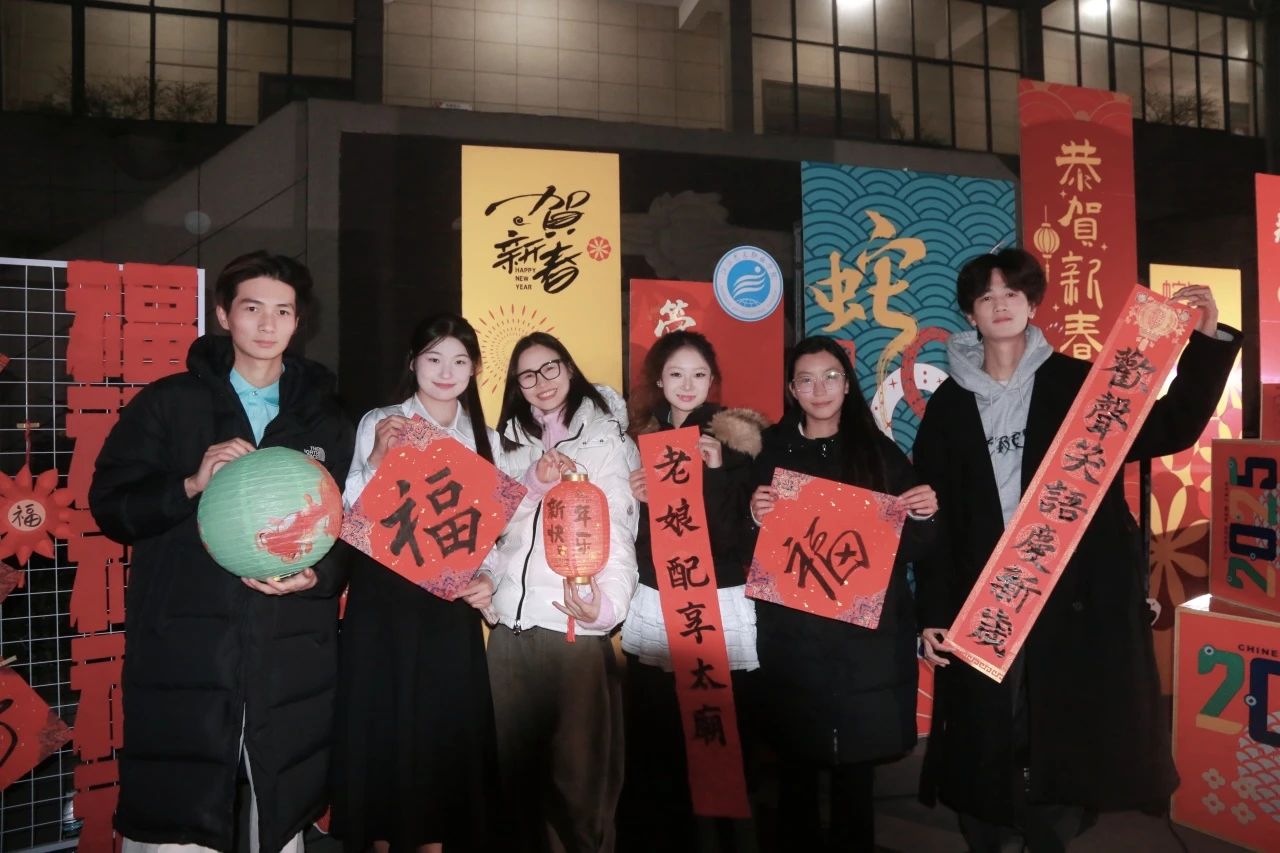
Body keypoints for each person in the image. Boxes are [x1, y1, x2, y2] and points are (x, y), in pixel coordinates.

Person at [913, 248, 1242, 852]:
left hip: (1072, 585)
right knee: (989, 720)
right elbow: (935, 520)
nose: (1001, 305)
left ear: (1033, 304)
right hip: (986, 590)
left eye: (1012, 293)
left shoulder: (1079, 382)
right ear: (970, 315)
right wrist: (933, 610)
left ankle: (1054, 826)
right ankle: (988, 821)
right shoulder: (948, 405)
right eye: (986, 297)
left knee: (1064, 718)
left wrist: (1207, 340)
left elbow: (1171, 425)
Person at [89, 251, 355, 853]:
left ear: (299, 322)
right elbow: (112, 507)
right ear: (223, 315)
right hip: (188, 645)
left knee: (278, 818)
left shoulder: (326, 420)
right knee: (177, 824)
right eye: (252, 308)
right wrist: (189, 483)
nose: (267, 324)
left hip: (288, 647)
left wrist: (317, 577)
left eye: (282, 311)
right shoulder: (170, 403)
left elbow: (349, 530)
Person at [748, 335, 938, 851]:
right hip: (793, 637)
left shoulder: (878, 452)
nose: (820, 389)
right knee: (795, 776)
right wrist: (754, 517)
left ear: (848, 384)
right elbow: (739, 543)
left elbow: (915, 546)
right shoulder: (769, 451)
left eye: (831, 376)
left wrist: (924, 513)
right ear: (792, 389)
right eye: (806, 380)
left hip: (863, 643)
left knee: (856, 778)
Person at [329, 313, 499, 853]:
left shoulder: (485, 438)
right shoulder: (383, 421)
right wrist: (376, 460)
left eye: (459, 361)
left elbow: (495, 536)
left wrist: (488, 577)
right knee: (382, 724)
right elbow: (349, 513)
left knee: (441, 733)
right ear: (412, 363)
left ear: (474, 369)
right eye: (433, 358)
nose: (446, 372)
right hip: (383, 597)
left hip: (447, 605)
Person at [471, 332, 639, 853]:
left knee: (580, 786)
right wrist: (532, 485)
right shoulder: (502, 444)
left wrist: (604, 608)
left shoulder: (607, 439)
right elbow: (489, 528)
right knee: (513, 780)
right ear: (516, 386)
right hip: (508, 635)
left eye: (550, 368)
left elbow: (619, 532)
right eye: (527, 375)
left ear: (568, 368)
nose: (541, 382)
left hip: (571, 627)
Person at [616, 331, 768, 853]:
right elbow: (633, 539)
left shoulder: (737, 440)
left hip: (716, 601)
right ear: (659, 380)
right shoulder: (638, 440)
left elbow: (740, 538)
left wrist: (718, 473)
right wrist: (638, 498)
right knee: (664, 736)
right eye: (676, 374)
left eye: (699, 374)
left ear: (712, 381)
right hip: (660, 599)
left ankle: (734, 840)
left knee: (723, 733)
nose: (687, 384)